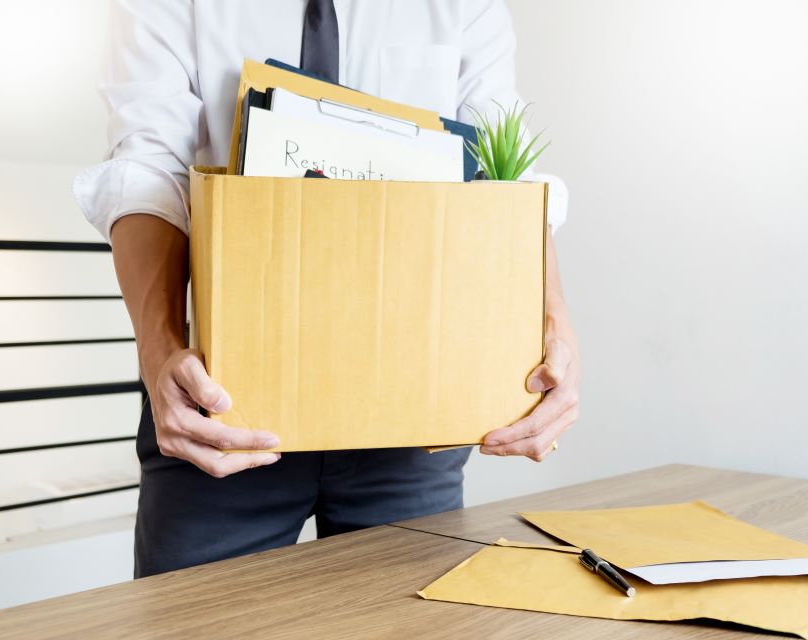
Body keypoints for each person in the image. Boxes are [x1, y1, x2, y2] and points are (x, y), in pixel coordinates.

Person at [74, 0, 580, 578]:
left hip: (411, 411)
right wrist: (159, 353)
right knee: (196, 623)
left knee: (415, 623)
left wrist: (557, 323)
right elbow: (147, 171)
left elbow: (502, 170)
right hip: (223, 404)